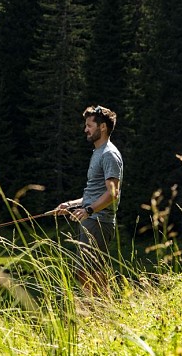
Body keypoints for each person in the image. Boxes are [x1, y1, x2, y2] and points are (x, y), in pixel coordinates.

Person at [52, 105, 123, 294]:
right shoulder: (98, 153)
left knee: (91, 273)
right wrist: (71, 204)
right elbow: (95, 193)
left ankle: (100, 314)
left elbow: (113, 193)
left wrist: (89, 210)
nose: (86, 129)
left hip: (98, 221)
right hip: (91, 220)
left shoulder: (109, 154)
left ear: (102, 128)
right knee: (86, 273)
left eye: (89, 125)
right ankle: (97, 313)